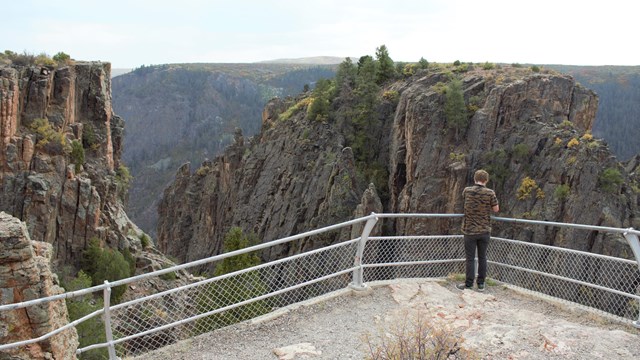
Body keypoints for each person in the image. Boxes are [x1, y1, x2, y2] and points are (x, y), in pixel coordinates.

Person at [457, 169, 499, 292]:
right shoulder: (490, 193)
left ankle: (469, 284)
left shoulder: (467, 190)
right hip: (484, 230)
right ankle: (481, 284)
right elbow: (496, 209)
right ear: (486, 180)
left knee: (470, 258)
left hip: (469, 231)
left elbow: (465, 200)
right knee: (482, 257)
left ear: (475, 178)